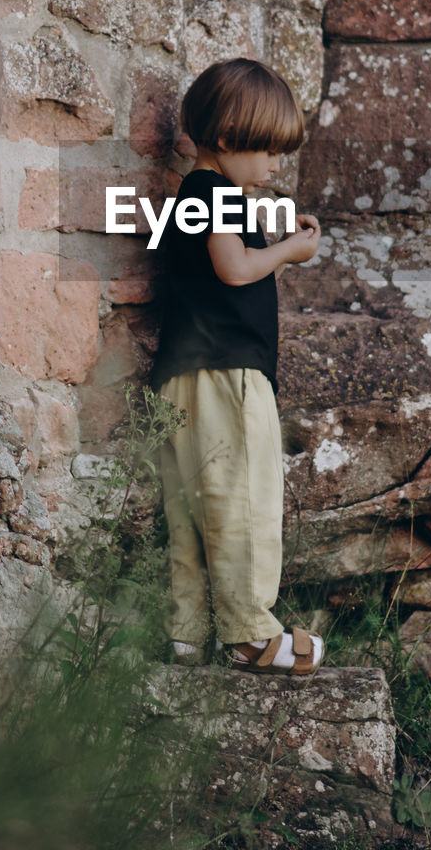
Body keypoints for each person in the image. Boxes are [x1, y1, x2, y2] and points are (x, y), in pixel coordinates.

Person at [149, 58, 324, 676]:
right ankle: (250, 634)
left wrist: (271, 247)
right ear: (227, 141)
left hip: (179, 377)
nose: (277, 166)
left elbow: (217, 271)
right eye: (270, 150)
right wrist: (290, 252)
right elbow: (234, 268)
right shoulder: (217, 192)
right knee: (243, 500)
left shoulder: (190, 197)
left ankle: (187, 633)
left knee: (193, 508)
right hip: (229, 375)